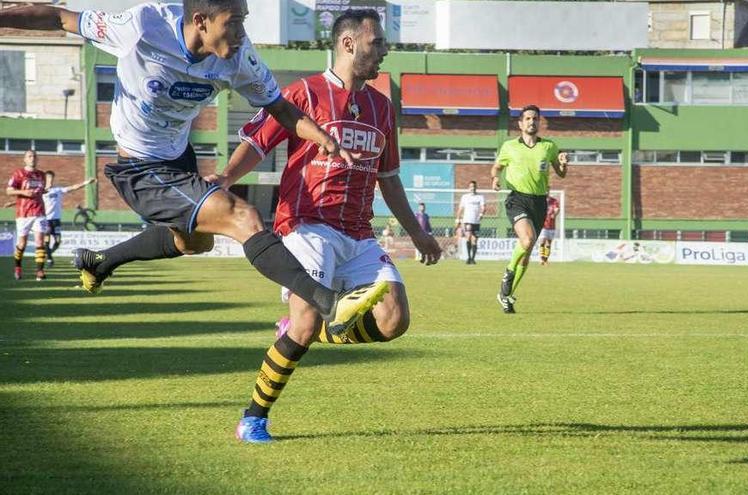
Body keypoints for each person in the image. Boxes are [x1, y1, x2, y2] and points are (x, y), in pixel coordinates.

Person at [0, 1, 386, 333]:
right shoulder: (142, 26)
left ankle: (100, 261)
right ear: (201, 20)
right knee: (242, 215)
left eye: (244, 19)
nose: (241, 31)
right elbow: (59, 17)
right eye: (233, 21)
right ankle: (329, 303)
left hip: (177, 158)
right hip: (139, 166)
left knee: (195, 242)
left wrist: (325, 139)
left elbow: (281, 109)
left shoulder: (240, 56)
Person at [214, 9, 442, 443]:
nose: (385, 51)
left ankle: (318, 326)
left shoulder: (382, 107)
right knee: (302, 327)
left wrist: (416, 231)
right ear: (349, 43)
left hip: (358, 232)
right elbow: (256, 142)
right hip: (305, 226)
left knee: (394, 321)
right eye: (378, 43)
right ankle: (254, 418)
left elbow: (388, 178)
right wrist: (225, 179)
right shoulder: (303, 94)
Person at [491, 105, 567, 313]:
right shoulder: (509, 146)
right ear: (520, 123)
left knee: (527, 251)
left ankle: (506, 296)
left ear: (539, 122)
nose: (531, 122)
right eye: (527, 118)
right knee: (527, 240)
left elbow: (560, 174)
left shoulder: (549, 147)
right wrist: (495, 177)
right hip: (517, 198)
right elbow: (497, 166)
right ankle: (508, 273)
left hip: (540, 202)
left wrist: (563, 163)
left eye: (535, 118)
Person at [5, 149, 48, 281]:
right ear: (25, 159)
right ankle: (18, 267)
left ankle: (40, 271)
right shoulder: (19, 173)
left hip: (39, 211)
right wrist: (24, 193)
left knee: (40, 241)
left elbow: (41, 191)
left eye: (34, 156)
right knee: (22, 243)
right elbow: (9, 190)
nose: (32, 158)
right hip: (23, 213)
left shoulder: (41, 175)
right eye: (29, 156)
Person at [42, 171, 96, 266]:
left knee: (58, 242)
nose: (50, 181)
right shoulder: (41, 192)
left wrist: (87, 182)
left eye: (51, 178)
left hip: (56, 220)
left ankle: (48, 253)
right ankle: (49, 259)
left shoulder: (58, 190)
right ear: (45, 179)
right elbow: (31, 199)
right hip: (46, 220)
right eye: (48, 178)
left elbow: (73, 187)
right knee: (47, 238)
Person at [457, 180, 485, 264]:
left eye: (474, 186)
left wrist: (481, 214)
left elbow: (483, 207)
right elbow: (460, 208)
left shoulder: (480, 197)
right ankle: (468, 257)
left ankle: (473, 258)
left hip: (476, 221)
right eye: (471, 186)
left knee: (475, 240)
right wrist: (458, 219)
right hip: (467, 220)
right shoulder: (465, 197)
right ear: (469, 188)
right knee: (468, 237)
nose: (472, 188)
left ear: (476, 187)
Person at [538, 194, 560, 265]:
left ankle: (545, 260)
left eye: (548, 189)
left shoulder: (554, 201)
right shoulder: (540, 201)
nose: (546, 191)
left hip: (551, 226)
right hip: (543, 225)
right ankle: (541, 259)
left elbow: (557, 209)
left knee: (548, 244)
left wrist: (555, 213)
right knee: (542, 241)